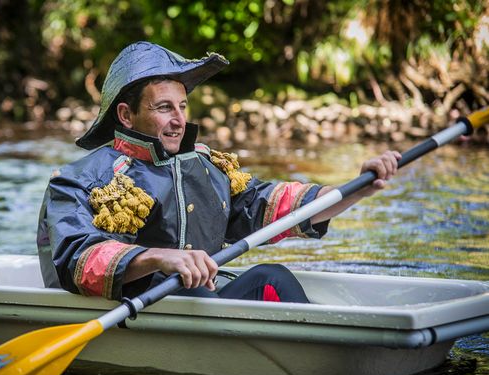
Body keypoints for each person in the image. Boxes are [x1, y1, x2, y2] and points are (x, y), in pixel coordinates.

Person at [37, 41, 401, 303]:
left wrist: (357, 189)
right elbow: (78, 261)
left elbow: (270, 205)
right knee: (254, 281)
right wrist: (160, 258)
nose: (179, 120)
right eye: (164, 108)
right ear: (126, 116)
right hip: (131, 310)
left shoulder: (206, 167)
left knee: (270, 277)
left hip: (196, 302)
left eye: (182, 106)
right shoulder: (77, 181)